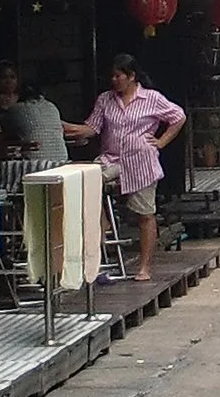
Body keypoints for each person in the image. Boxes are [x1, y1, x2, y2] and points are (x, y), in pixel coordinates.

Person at [63, 54, 186, 282]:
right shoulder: (105, 100)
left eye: (118, 76)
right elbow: (92, 128)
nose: (114, 80)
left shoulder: (151, 98)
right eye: (112, 76)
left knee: (145, 214)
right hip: (111, 158)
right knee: (87, 181)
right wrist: (63, 126)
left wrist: (161, 141)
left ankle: (144, 267)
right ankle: (102, 224)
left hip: (141, 161)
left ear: (131, 77)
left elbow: (178, 116)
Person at [0, 59, 67, 166]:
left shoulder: (22, 104)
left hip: (27, 153)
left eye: (12, 77)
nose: (8, 81)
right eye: (3, 77)